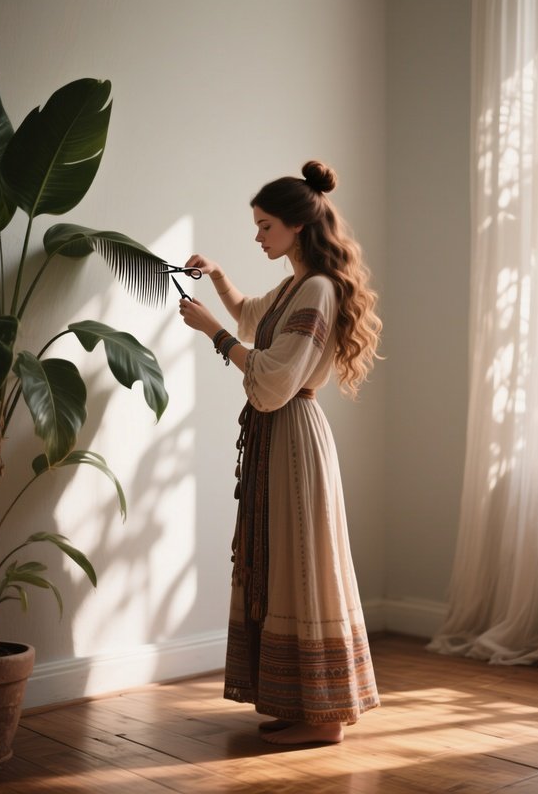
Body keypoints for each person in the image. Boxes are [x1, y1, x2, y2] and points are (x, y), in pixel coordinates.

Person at [178, 160, 382, 745]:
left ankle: (322, 717)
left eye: (265, 226)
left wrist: (213, 334)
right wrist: (218, 278)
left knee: (301, 566)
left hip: (293, 438)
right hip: (282, 440)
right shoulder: (298, 285)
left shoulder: (315, 289)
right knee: (289, 567)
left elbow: (273, 378)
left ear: (295, 226)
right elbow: (253, 316)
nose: (258, 236)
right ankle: (303, 704)